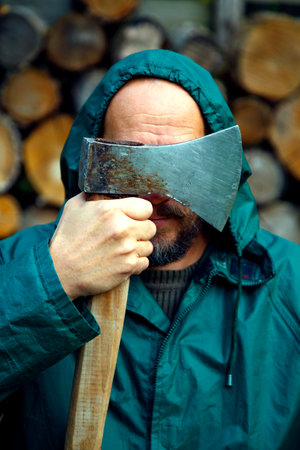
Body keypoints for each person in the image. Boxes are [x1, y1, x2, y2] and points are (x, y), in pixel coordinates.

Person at [0, 49, 299, 450]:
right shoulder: (20, 266)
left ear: (219, 167)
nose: (154, 192)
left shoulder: (289, 285)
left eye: (182, 163)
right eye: (130, 158)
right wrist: (56, 279)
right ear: (92, 159)